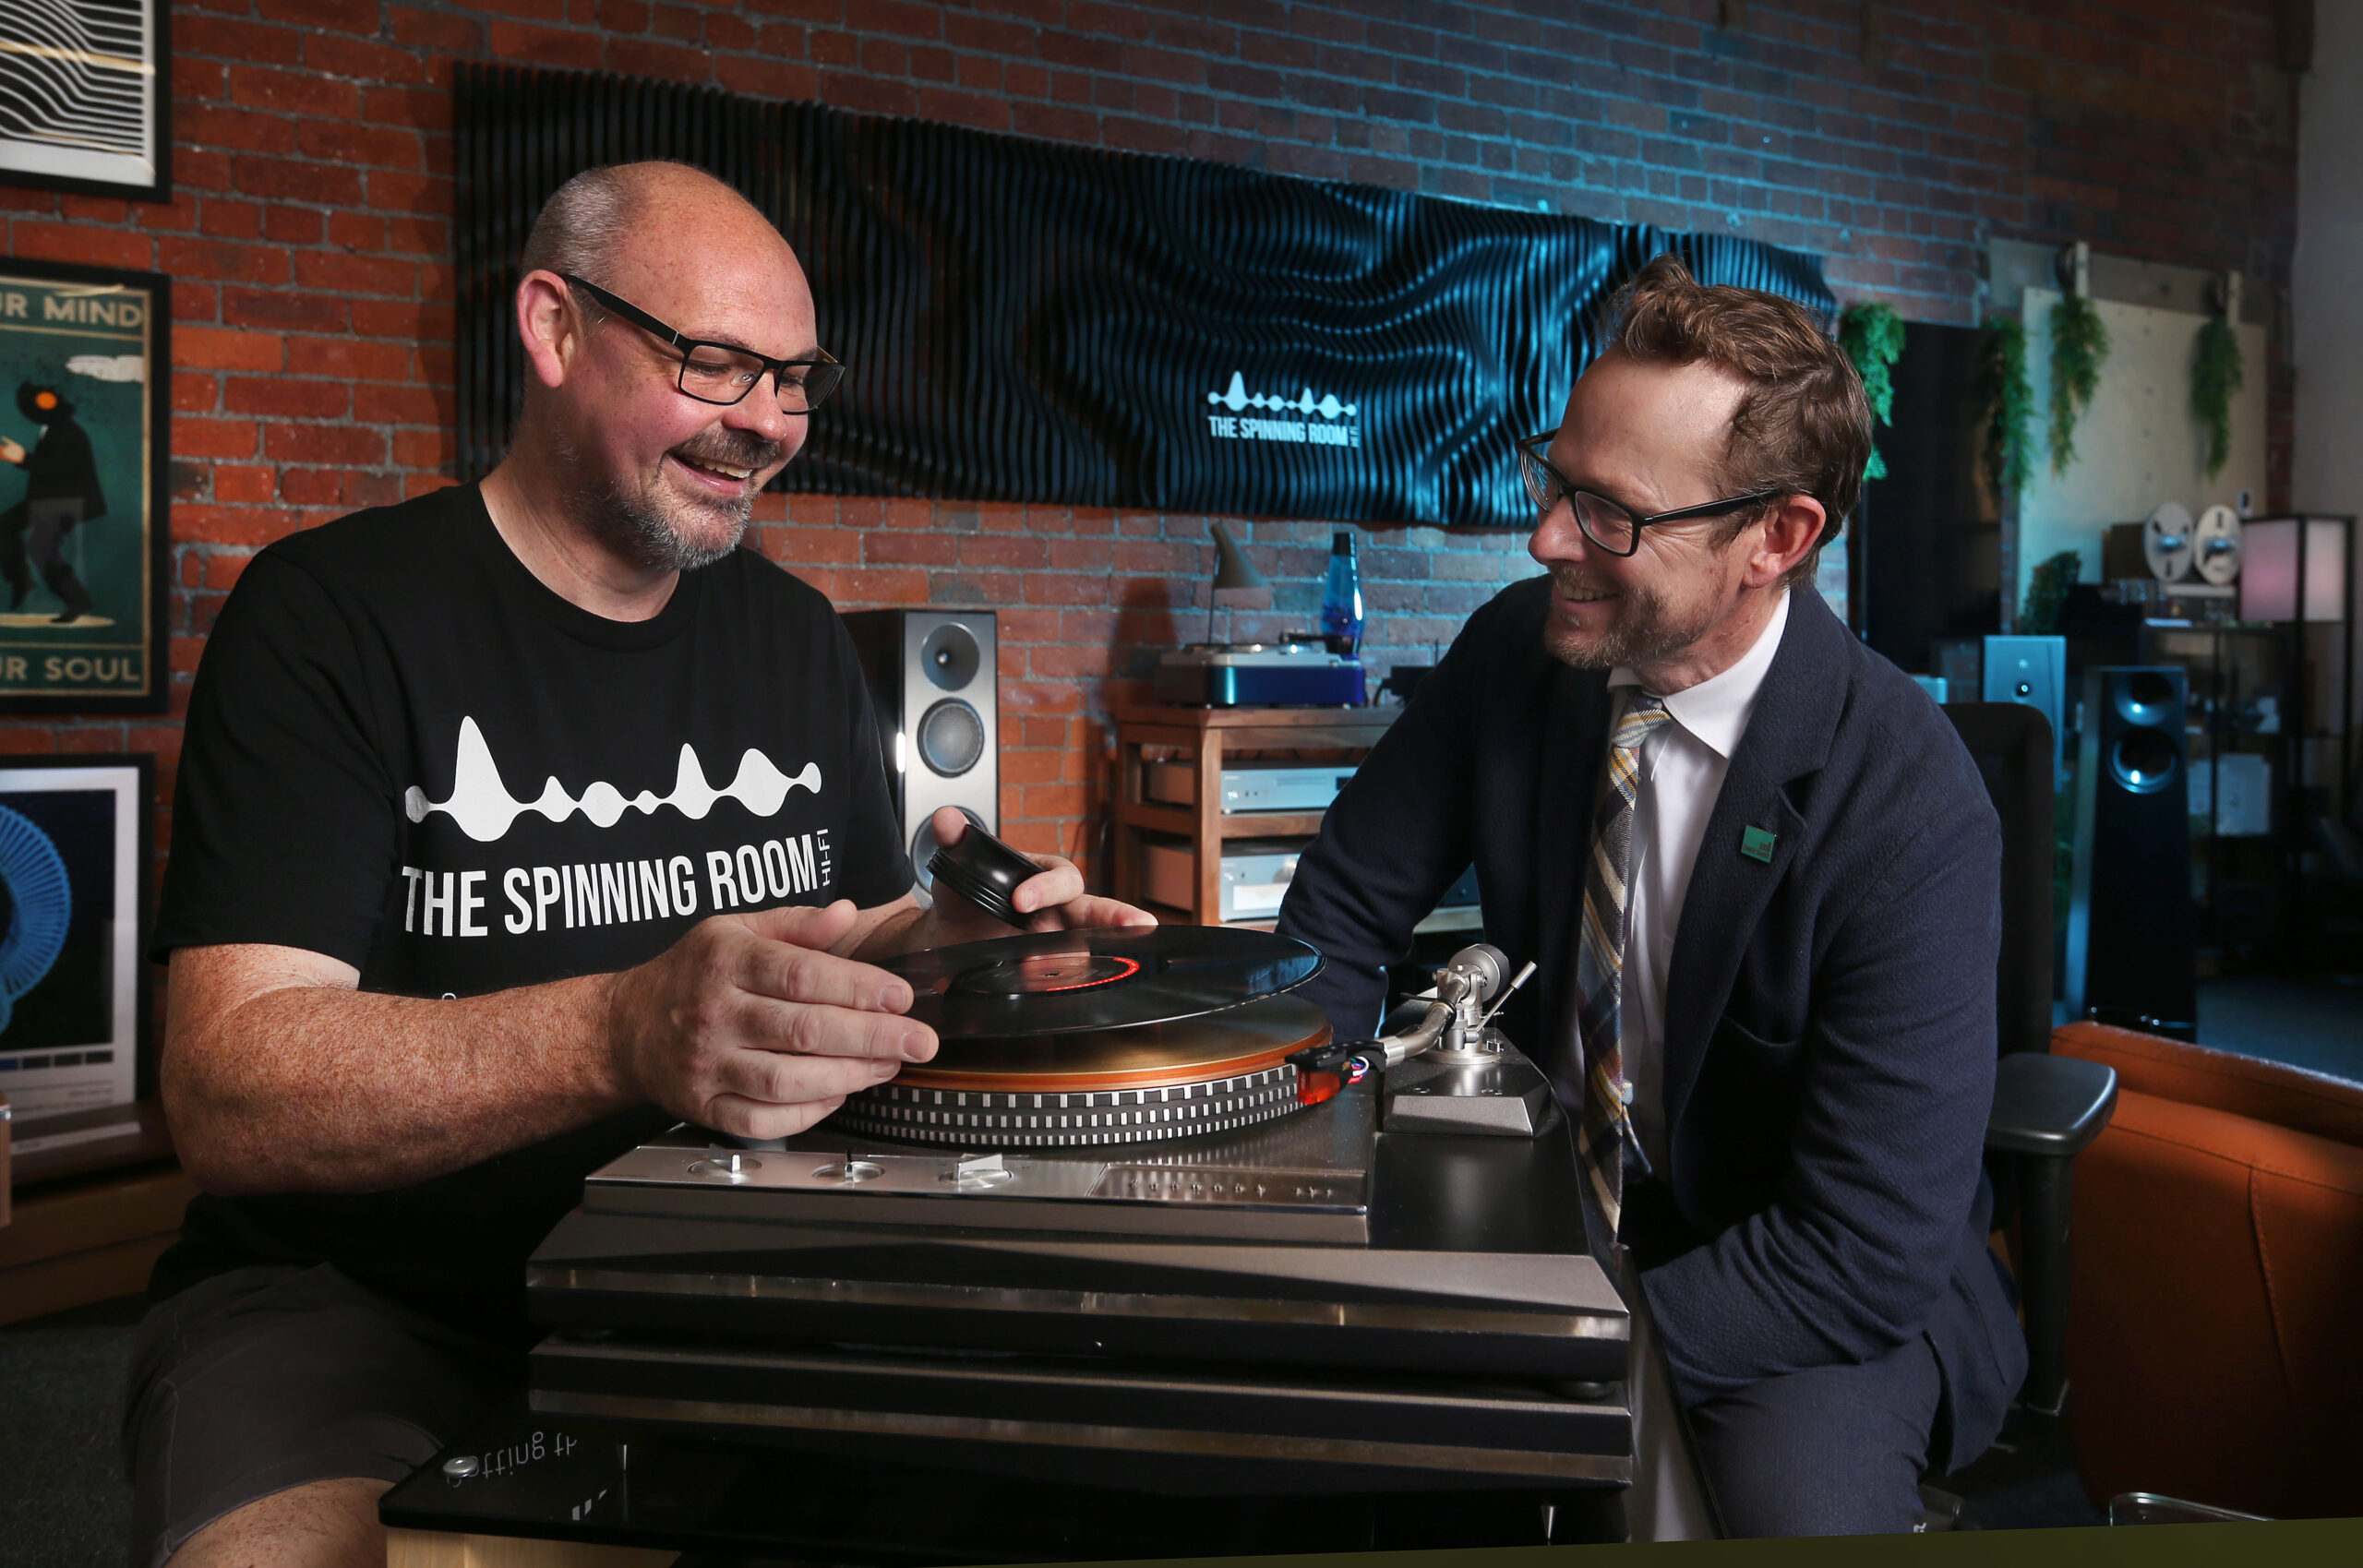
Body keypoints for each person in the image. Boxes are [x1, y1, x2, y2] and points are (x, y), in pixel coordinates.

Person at [125, 162, 1151, 1568]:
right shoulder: (328, 620)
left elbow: (842, 946)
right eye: (718, 365)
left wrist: (988, 956)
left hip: (718, 1282)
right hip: (354, 1307)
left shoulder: (795, 640)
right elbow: (228, 1090)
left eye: (793, 380)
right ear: (552, 328)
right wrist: (623, 1028)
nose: (768, 427)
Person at [1276, 256, 2022, 1536]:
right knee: (1325, 1447)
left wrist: (1560, 1338)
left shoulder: (1909, 803)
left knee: (1784, 1513)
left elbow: (1858, 1251)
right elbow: (1336, 921)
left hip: (1804, 1284)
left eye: (1611, 513)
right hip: (1543, 1209)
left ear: (1776, 540)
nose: (1546, 537)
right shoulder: (1517, 650)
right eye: (1554, 480)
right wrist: (1305, 1154)